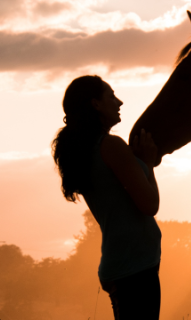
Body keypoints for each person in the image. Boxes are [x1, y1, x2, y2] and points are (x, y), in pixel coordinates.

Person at [52, 75, 162, 319]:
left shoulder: (87, 151)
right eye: (111, 96)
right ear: (96, 104)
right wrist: (148, 163)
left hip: (125, 265)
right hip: (135, 268)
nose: (119, 102)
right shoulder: (110, 146)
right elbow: (150, 205)